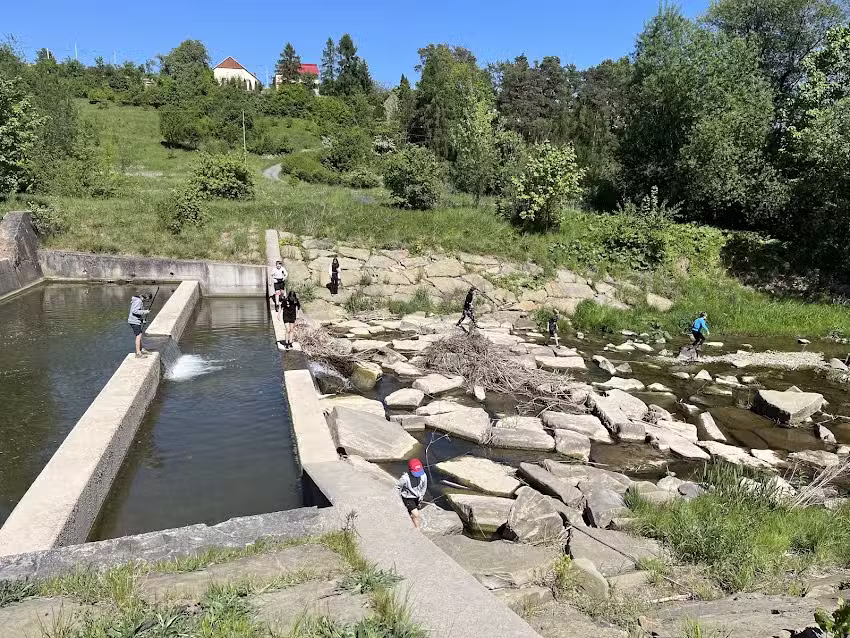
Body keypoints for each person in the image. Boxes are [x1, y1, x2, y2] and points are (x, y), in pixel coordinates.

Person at [396, 458, 428, 529]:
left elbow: (424, 486)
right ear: (410, 470)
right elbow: (397, 487)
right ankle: (417, 529)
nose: (418, 475)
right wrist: (397, 498)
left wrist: (421, 495)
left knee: (412, 512)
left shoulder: (423, 475)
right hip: (408, 498)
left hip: (417, 497)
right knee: (416, 514)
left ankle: (410, 516)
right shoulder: (405, 478)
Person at [128, 292, 152, 357]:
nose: (147, 301)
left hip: (136, 321)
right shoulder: (138, 301)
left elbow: (138, 312)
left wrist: (142, 320)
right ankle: (138, 353)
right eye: (148, 300)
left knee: (140, 335)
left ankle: (141, 350)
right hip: (134, 321)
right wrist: (145, 312)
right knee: (138, 336)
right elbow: (134, 311)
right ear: (146, 297)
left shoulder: (138, 300)